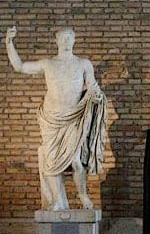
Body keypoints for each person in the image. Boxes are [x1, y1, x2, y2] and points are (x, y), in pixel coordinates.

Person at [6, 26, 107, 211]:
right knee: (51, 161)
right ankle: (58, 201)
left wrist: (97, 95)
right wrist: (9, 42)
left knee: (76, 160)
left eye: (69, 38)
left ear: (74, 40)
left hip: (73, 117)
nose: (66, 41)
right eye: (63, 38)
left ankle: (83, 196)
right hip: (51, 118)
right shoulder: (48, 63)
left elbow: (92, 86)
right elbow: (19, 66)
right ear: (57, 41)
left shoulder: (83, 64)